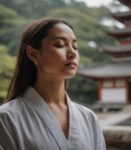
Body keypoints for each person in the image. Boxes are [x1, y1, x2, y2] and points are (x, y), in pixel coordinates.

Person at [0, 18, 106, 150]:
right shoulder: (6, 118)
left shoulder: (89, 118)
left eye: (75, 46)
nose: (73, 52)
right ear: (33, 54)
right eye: (60, 44)